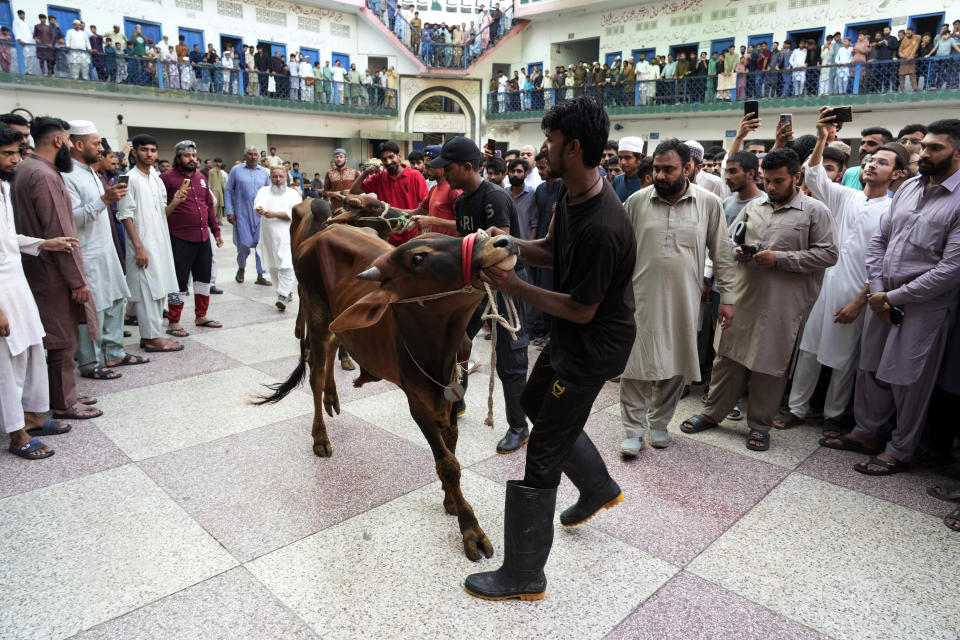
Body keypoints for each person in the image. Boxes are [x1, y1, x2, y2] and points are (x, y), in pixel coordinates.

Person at [464, 97, 636, 600]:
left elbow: (583, 308)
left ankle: (524, 575)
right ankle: (599, 487)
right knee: (536, 405)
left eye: (551, 143)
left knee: (541, 454)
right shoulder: (567, 193)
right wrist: (511, 245)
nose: (543, 151)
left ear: (574, 147)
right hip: (572, 335)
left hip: (592, 347)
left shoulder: (605, 224)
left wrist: (513, 286)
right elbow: (551, 250)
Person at [820, 119, 960, 475]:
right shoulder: (911, 187)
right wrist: (879, 290)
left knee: (908, 380)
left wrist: (893, 297)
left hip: (923, 307)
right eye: (924, 146)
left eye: (934, 148)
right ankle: (866, 433)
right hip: (882, 299)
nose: (924, 153)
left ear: (957, 152)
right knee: (870, 369)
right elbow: (880, 241)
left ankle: (900, 449)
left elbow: (950, 270)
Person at [681, 148, 837, 452]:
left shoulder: (815, 211)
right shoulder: (754, 207)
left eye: (779, 181)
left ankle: (760, 426)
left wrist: (779, 258)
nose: (772, 187)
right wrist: (739, 251)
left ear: (796, 177)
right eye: (767, 181)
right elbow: (730, 239)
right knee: (727, 355)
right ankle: (712, 413)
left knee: (769, 365)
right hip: (743, 295)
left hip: (783, 305)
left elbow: (829, 254)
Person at [777, 109, 907, 435]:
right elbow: (813, 175)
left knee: (844, 359)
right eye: (869, 161)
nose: (871, 165)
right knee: (808, 350)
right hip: (822, 287)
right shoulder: (845, 196)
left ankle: (834, 415)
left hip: (856, 293)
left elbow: (886, 262)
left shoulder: (894, 210)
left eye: (881, 163)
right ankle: (796, 408)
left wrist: (860, 301)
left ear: (897, 174)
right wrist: (823, 138)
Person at [618, 138, 735, 456]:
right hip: (640, 297)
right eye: (656, 169)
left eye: (668, 169)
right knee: (636, 364)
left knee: (676, 363)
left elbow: (722, 252)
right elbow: (621, 252)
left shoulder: (709, 203)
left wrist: (728, 297)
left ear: (688, 168)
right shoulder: (637, 202)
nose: (660, 175)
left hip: (685, 299)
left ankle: (659, 423)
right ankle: (631, 429)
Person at [11, 117, 101, 421]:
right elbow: (61, 235)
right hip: (52, 273)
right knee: (62, 342)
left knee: (53, 340)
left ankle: (63, 394)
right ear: (59, 141)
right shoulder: (45, 175)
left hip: (36, 270)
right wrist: (77, 281)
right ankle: (64, 404)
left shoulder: (26, 168)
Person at [1, 124, 81, 459]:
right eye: (7, 154)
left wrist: (42, 243)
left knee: (32, 351)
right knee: (9, 363)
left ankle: (30, 417)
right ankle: (17, 434)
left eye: (17, 153)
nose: (15, 160)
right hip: (2, 293)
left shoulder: (3, 189)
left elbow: (8, 241)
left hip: (17, 283)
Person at [61, 120, 139, 380]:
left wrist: (107, 197)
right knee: (94, 308)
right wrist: (104, 200)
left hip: (106, 249)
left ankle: (114, 352)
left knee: (117, 299)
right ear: (79, 144)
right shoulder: (67, 175)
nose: (101, 148)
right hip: (88, 253)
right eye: (96, 143)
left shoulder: (90, 171)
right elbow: (70, 219)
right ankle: (89, 362)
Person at [116, 134, 181, 353]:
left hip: (160, 241)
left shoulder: (156, 178)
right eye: (144, 150)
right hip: (142, 244)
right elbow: (125, 214)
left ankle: (150, 336)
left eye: (153, 150)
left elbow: (162, 212)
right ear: (134, 153)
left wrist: (176, 201)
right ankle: (152, 338)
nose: (150, 154)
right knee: (147, 290)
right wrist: (139, 246)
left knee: (159, 288)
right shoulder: (127, 178)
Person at [159, 140, 224, 336]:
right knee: (178, 282)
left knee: (203, 279)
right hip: (179, 237)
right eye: (187, 156)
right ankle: (173, 321)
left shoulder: (201, 178)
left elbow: (208, 206)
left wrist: (216, 231)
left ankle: (201, 315)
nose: (192, 159)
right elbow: (160, 210)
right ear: (178, 158)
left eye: (194, 156)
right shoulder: (166, 178)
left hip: (203, 237)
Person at [254, 166, 301, 312]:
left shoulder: (293, 193)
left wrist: (274, 214)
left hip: (287, 235)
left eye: (281, 177)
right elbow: (257, 204)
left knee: (287, 265)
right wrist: (259, 209)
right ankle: (286, 293)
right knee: (273, 266)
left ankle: (282, 296)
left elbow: (297, 212)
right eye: (275, 177)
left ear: (286, 177)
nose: (278, 180)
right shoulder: (263, 191)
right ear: (270, 178)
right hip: (268, 236)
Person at [225, 147, 271, 285]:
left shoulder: (264, 172)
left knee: (260, 245)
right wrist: (229, 211)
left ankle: (260, 275)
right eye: (250, 154)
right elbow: (228, 190)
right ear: (245, 156)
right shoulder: (236, 170)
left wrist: (270, 212)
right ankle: (241, 267)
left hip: (259, 214)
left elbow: (269, 192)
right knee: (243, 245)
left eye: (255, 154)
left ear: (259, 157)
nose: (253, 157)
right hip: (241, 213)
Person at [350, 141, 428, 212]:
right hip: (386, 226)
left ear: (399, 155)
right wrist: (365, 173)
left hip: (410, 226)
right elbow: (353, 192)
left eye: (391, 157)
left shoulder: (415, 176)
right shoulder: (378, 178)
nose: (388, 162)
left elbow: (426, 205)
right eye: (384, 159)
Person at [611, 136, 647, 203]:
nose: (622, 162)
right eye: (620, 158)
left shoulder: (646, 181)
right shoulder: (617, 180)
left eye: (627, 158)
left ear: (640, 158)